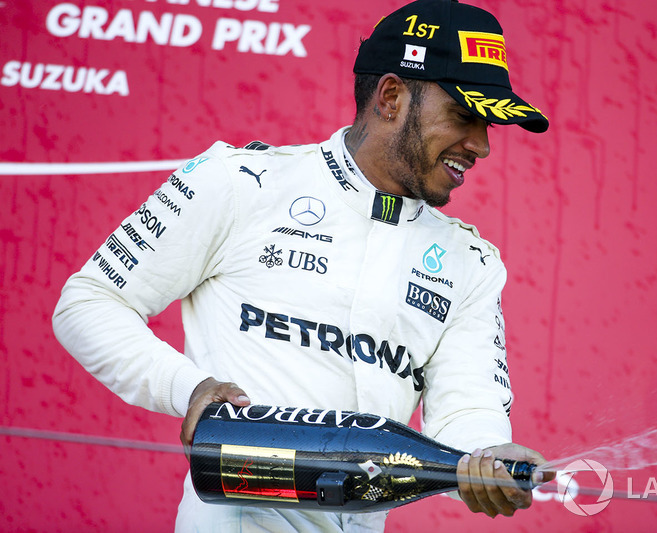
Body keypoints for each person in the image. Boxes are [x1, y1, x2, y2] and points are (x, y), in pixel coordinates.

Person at [52, 0, 552, 531]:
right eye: (463, 116)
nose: (482, 145)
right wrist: (188, 388)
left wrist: (491, 461)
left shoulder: (470, 263)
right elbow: (88, 302)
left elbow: (466, 416)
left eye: (489, 124)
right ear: (390, 97)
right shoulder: (240, 183)